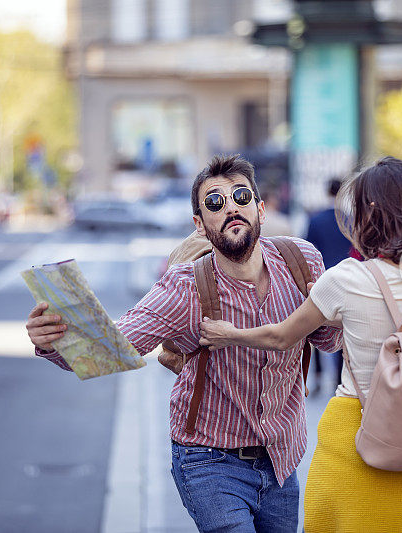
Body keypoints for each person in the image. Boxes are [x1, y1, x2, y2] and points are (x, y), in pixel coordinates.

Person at [26, 154, 342, 533]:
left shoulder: (302, 261)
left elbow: (327, 342)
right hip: (209, 462)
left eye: (241, 197)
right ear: (199, 224)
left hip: (281, 461)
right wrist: (53, 341)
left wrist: (331, 314)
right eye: (215, 202)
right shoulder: (184, 287)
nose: (231, 208)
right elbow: (112, 348)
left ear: (260, 209)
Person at [199, 156, 402, 532]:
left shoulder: (346, 278)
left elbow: (281, 337)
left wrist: (229, 334)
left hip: (357, 432)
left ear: (368, 215)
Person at [304, 178, 351, 394]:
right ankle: (339, 379)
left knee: (316, 326)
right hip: (349, 280)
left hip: (322, 280)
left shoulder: (316, 219)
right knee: (344, 327)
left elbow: (307, 251)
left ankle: (317, 375)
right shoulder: (351, 219)